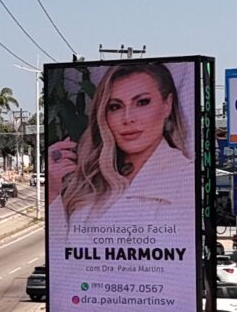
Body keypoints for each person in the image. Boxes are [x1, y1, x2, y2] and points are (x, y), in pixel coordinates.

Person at [45, 61, 196, 239]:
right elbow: (62, 255)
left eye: (142, 102)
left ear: (167, 105)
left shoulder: (186, 179)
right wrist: (52, 190)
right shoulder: (92, 179)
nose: (128, 118)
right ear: (104, 115)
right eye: (115, 106)